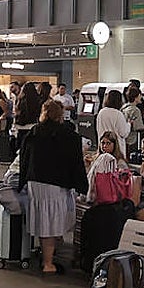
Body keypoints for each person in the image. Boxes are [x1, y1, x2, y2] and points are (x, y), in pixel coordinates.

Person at [18, 100, 88, 274]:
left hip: (36, 182)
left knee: (44, 220)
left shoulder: (34, 131)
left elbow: (24, 159)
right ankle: (48, 263)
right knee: (52, 221)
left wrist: (23, 181)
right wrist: (81, 184)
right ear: (60, 114)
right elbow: (76, 162)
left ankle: (48, 254)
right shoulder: (69, 134)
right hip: (56, 183)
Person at [96, 89, 131, 156]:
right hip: (116, 149)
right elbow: (123, 133)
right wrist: (129, 124)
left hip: (103, 147)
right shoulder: (118, 114)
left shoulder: (101, 112)